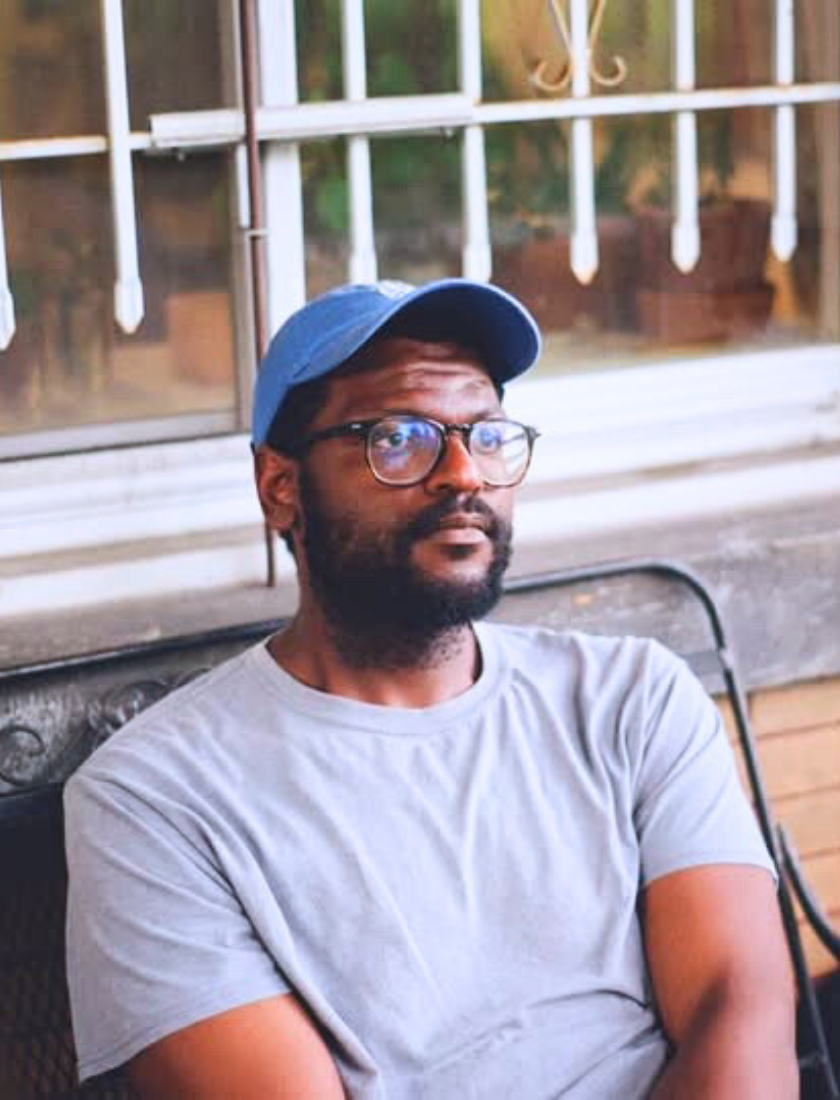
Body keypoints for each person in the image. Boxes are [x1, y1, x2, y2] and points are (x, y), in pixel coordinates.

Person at [64, 278, 797, 1098]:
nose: (463, 474)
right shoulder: (155, 799)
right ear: (280, 487)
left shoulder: (631, 700)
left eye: (486, 434)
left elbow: (743, 1016)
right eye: (399, 437)